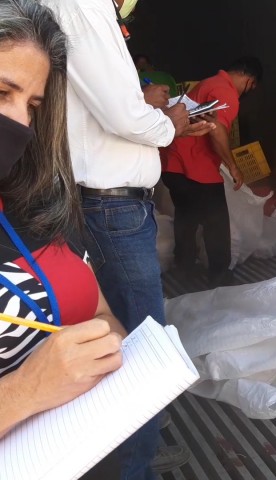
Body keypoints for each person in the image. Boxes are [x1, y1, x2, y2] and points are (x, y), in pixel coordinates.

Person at [39, 0, 213, 477]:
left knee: (117, 336)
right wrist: (168, 122)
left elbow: (112, 107)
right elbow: (123, 116)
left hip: (106, 202)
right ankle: (135, 465)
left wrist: (153, 108)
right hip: (110, 204)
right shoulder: (82, 5)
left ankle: (132, 450)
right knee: (141, 345)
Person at [0, 0, 124, 438]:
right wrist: (24, 391)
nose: (21, 121)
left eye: (33, 105)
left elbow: (101, 312)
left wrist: (107, 343)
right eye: (2, 93)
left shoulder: (36, 203)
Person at [161, 56, 263, 285]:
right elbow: (217, 130)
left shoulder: (207, 83)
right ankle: (220, 276)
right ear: (250, 80)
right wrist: (233, 166)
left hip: (173, 165)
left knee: (186, 216)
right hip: (197, 168)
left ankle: (185, 268)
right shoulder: (226, 91)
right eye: (251, 87)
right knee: (216, 223)